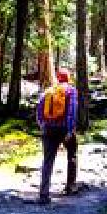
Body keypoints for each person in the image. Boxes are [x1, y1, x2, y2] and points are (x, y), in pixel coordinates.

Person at [36, 67, 78, 204]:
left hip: (48, 130)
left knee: (47, 161)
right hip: (64, 129)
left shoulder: (49, 91)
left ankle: (44, 194)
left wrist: (42, 125)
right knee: (72, 155)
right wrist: (70, 130)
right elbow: (72, 111)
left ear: (58, 78)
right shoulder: (71, 91)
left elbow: (39, 111)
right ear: (68, 78)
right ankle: (70, 187)